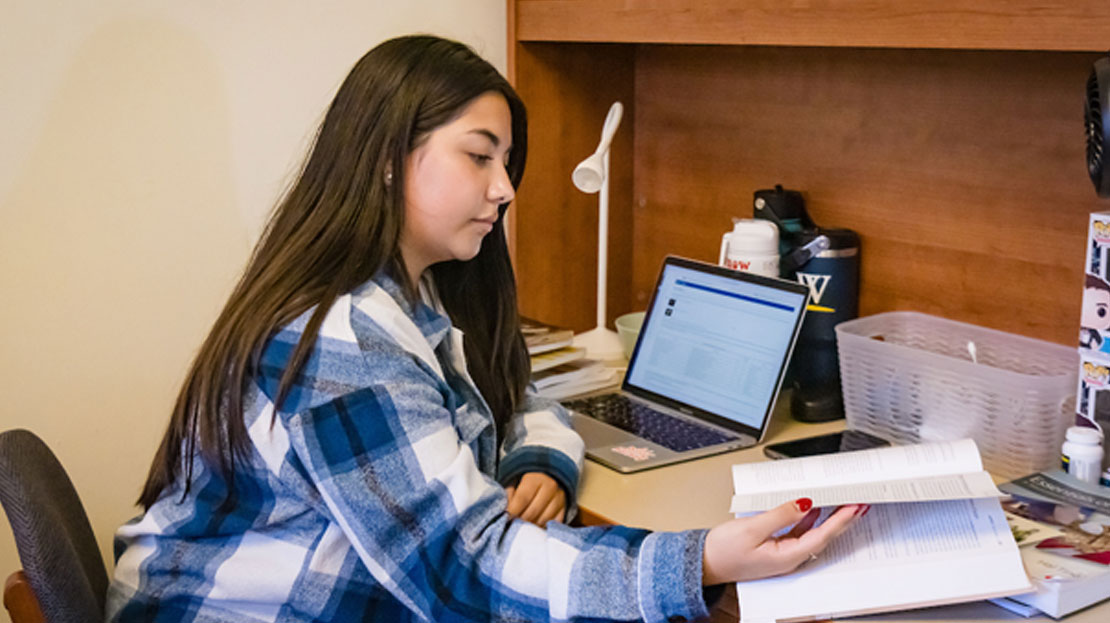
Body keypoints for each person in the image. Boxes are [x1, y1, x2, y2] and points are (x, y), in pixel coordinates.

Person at [107, 34, 864, 622]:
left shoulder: (414, 295)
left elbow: (517, 391)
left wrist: (543, 458)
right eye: (479, 157)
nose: (504, 189)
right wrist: (699, 560)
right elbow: (466, 573)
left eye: (507, 163)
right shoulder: (345, 338)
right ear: (384, 159)